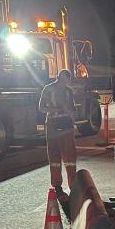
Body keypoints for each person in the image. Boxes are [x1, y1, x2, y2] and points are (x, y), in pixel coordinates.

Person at [39, 69, 77, 203]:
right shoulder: (48, 89)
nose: (65, 83)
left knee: (70, 158)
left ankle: (73, 185)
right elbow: (41, 108)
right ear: (58, 78)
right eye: (63, 80)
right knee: (54, 158)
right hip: (53, 127)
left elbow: (72, 109)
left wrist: (72, 116)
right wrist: (57, 109)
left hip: (66, 128)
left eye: (67, 80)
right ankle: (57, 185)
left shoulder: (68, 91)